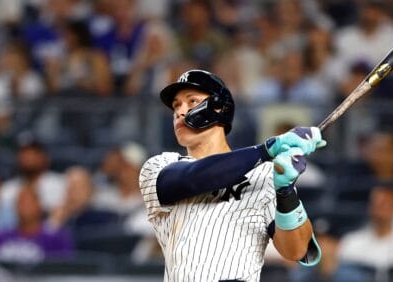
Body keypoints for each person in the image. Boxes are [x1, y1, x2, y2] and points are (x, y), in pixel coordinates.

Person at [139, 69, 327, 281]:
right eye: (176, 106)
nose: (180, 112)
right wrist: (266, 150)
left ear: (219, 108)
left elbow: (296, 250)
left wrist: (285, 192)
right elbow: (193, 178)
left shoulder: (264, 174)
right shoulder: (159, 166)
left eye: (192, 101)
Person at [338, 186, 393, 270]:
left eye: (386, 204)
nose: (381, 208)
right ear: (370, 207)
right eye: (377, 204)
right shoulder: (352, 242)